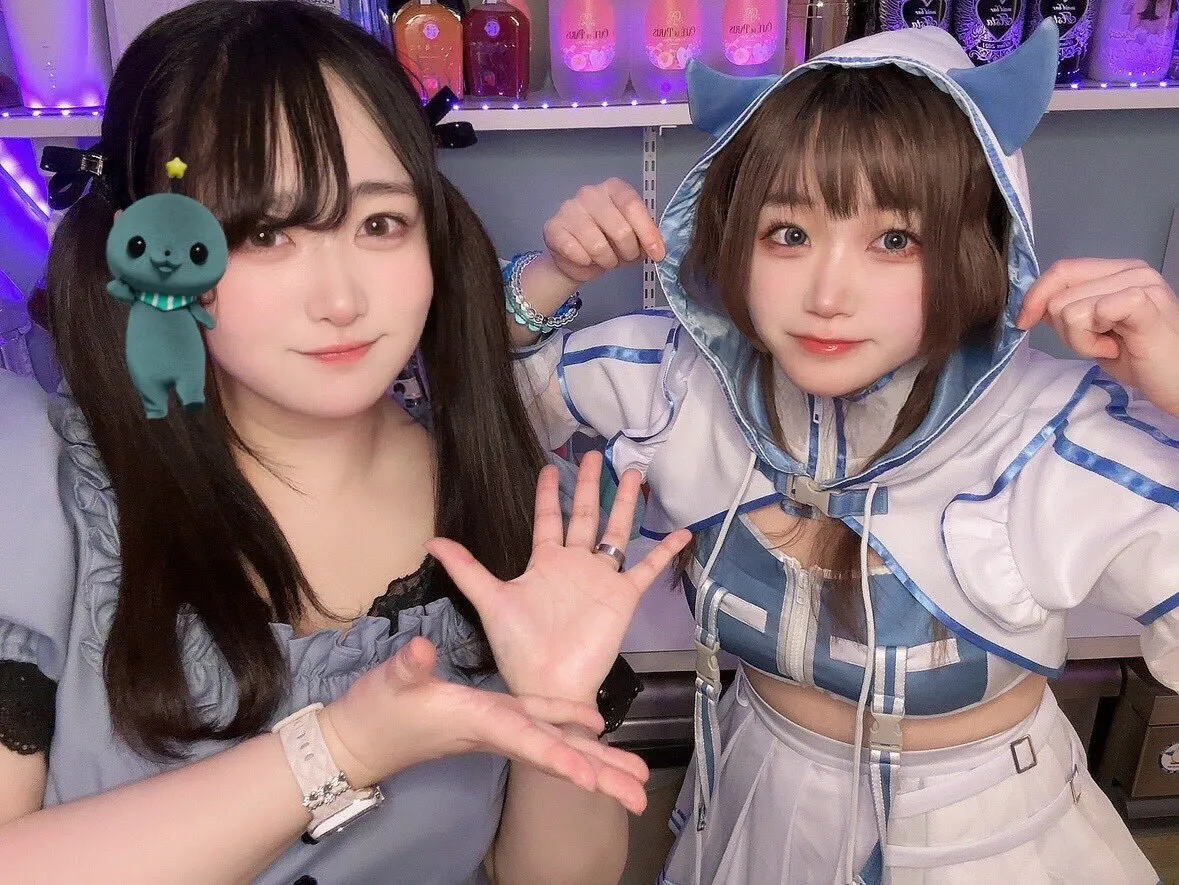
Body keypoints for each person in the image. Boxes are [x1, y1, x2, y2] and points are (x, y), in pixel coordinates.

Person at [0, 2, 687, 881]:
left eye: (379, 224)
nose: (341, 300)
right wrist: (339, 748)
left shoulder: (506, 499)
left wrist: (557, 707)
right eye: (265, 233)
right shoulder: (43, 485)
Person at [508, 21, 1177, 884]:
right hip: (752, 794)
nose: (826, 295)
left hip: (984, 836)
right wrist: (553, 274)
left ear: (978, 247)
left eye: (894, 240)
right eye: (788, 233)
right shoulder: (678, 381)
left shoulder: (1049, 436)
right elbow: (479, 400)